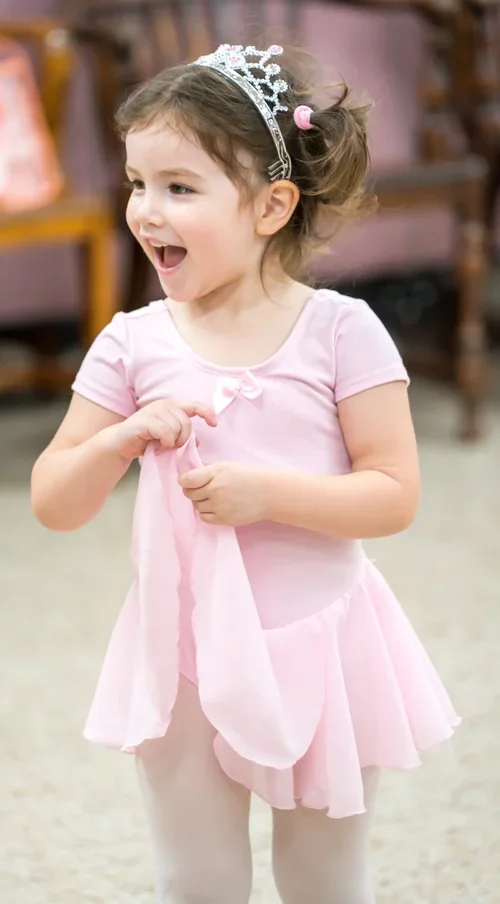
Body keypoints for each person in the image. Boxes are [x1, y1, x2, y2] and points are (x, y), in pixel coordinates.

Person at [31, 42, 459, 904]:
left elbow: (395, 492)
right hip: (183, 652)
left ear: (272, 205)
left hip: (319, 645)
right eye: (136, 184)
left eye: (179, 187)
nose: (146, 211)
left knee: (325, 878)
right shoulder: (133, 342)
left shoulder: (342, 332)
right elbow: (52, 501)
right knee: (198, 879)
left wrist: (268, 496)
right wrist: (118, 444)